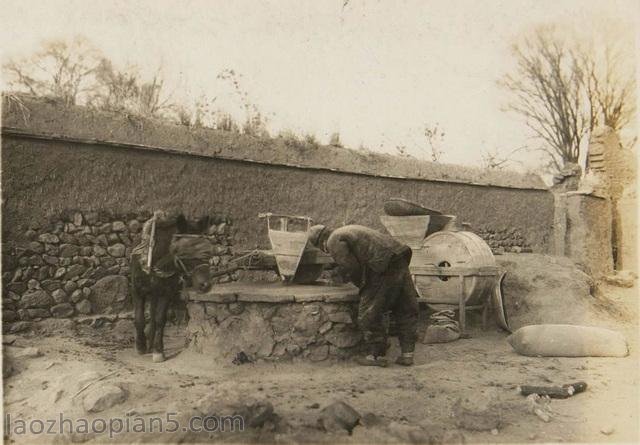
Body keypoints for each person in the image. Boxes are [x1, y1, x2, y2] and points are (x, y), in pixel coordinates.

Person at [308, 224, 419, 367]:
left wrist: (361, 286)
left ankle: (375, 355)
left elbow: (351, 267)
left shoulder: (332, 240)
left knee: (368, 312)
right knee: (405, 307)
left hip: (382, 265)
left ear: (321, 243)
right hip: (399, 258)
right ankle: (407, 354)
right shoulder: (348, 230)